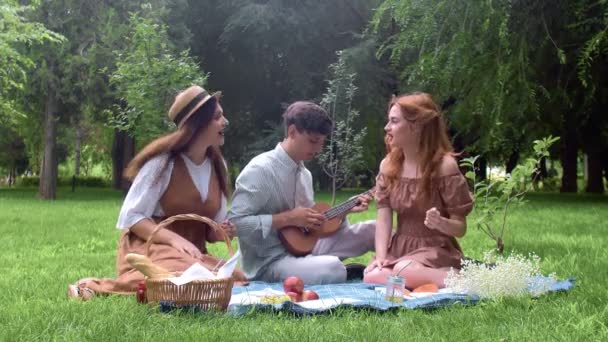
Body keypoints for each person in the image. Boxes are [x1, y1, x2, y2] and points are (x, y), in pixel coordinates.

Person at [67, 85, 247, 300]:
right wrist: (174, 240)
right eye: (217, 117)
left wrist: (223, 231)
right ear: (198, 123)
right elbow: (131, 216)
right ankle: (90, 287)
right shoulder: (162, 163)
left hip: (193, 254)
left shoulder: (219, 167)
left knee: (235, 279)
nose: (224, 122)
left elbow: (211, 229)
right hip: (152, 246)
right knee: (180, 277)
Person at [228, 101, 375, 284]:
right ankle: (335, 272)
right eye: (313, 141)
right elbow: (233, 224)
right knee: (332, 267)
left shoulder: (305, 175)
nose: (318, 149)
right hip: (269, 263)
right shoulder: (260, 170)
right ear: (292, 132)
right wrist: (287, 218)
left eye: (322, 142)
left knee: (373, 230)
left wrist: (345, 210)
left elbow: (309, 229)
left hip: (304, 251)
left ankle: (396, 273)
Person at [363, 92, 473, 289]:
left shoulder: (445, 167)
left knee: (403, 271)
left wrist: (441, 223)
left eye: (394, 121)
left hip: (435, 249)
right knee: (372, 275)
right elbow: (384, 216)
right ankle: (425, 281)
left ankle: (458, 278)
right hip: (401, 248)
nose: (387, 128)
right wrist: (380, 257)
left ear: (416, 126)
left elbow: (460, 228)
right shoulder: (388, 166)